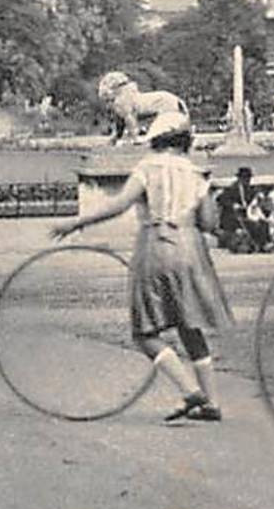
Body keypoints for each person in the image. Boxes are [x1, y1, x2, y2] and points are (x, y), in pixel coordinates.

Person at [50, 111, 233, 422]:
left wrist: (77, 222)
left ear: (157, 140)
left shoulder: (147, 168)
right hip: (192, 250)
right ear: (185, 141)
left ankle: (190, 391)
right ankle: (212, 402)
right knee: (191, 327)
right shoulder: (197, 173)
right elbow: (208, 222)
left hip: (156, 246)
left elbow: (120, 205)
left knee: (145, 331)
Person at [97, 71, 188, 145]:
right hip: (165, 100)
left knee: (166, 122)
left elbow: (130, 119)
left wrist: (134, 137)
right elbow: (120, 122)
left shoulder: (123, 101)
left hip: (164, 103)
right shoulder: (119, 101)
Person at [216, 166, 272, 252]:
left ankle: (264, 243)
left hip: (246, 214)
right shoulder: (232, 188)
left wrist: (260, 202)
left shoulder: (250, 189)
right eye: (245, 178)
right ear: (240, 178)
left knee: (263, 222)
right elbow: (220, 199)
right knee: (252, 224)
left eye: (248, 178)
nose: (247, 180)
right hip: (233, 216)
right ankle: (258, 243)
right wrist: (233, 204)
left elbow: (254, 202)